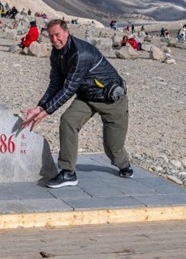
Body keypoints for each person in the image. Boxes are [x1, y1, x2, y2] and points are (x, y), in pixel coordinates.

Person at [21, 19, 132, 188]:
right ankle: (68, 172)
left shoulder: (81, 53)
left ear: (67, 32)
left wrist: (46, 112)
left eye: (57, 35)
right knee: (68, 121)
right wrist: (40, 107)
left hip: (110, 99)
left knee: (113, 147)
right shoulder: (56, 53)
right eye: (51, 36)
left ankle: (124, 164)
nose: (54, 40)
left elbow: (68, 88)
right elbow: (55, 84)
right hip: (87, 97)